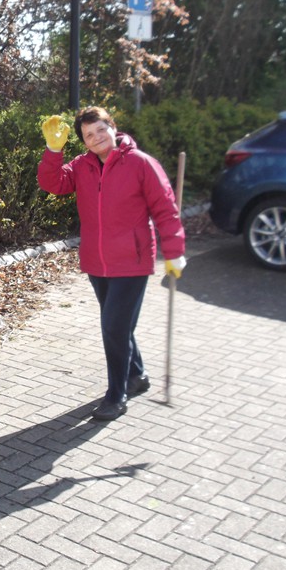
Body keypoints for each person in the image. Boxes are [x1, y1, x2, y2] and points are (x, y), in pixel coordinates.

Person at [37, 106, 186, 421]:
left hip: (132, 262)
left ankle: (116, 395)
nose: (96, 137)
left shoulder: (141, 164)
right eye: (89, 135)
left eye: (100, 129)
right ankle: (137, 376)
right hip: (97, 262)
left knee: (114, 327)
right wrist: (53, 151)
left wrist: (174, 252)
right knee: (119, 326)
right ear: (84, 142)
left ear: (112, 128)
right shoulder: (82, 167)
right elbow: (53, 183)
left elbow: (165, 209)